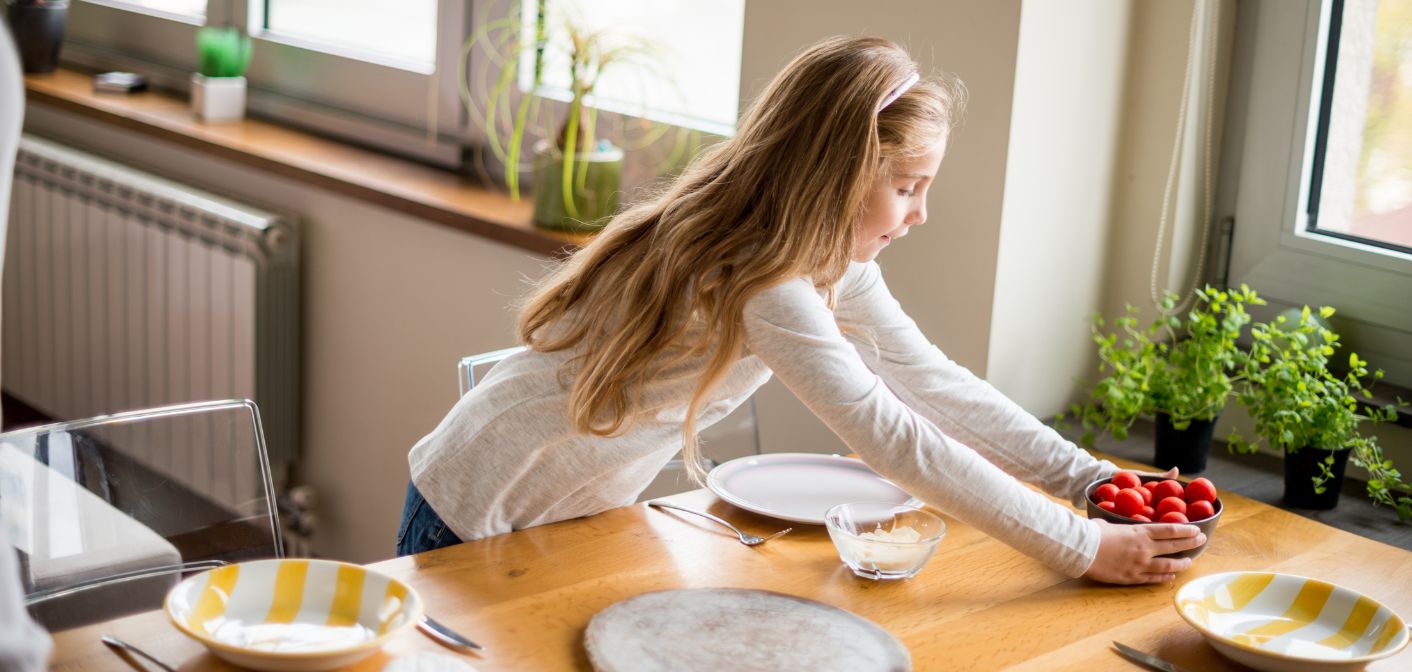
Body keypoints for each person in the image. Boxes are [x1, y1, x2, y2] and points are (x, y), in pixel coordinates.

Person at [400, 35, 1205, 584]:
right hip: (476, 508)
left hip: (564, 516)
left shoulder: (822, 260)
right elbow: (892, 437)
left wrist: (1089, 478)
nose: (919, 215)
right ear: (840, 175)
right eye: (908, 188)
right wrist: (1082, 547)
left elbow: (931, 382)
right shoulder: (763, 280)